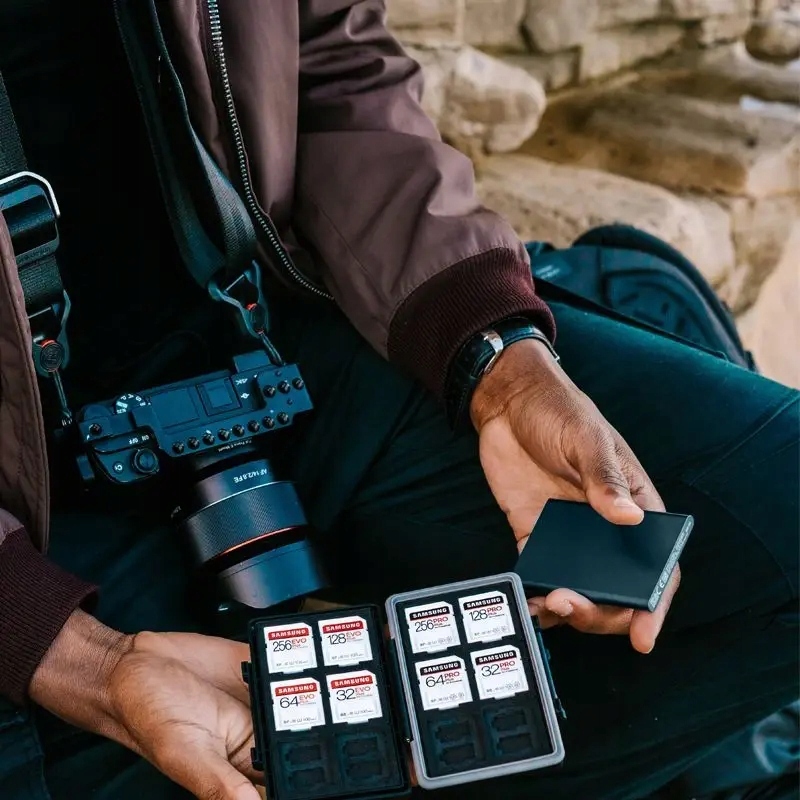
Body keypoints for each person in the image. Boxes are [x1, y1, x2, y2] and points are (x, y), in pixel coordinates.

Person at [0, 2, 796, 800]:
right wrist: (69, 653)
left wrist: (494, 356)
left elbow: (333, 64)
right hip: (33, 520)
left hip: (279, 346)